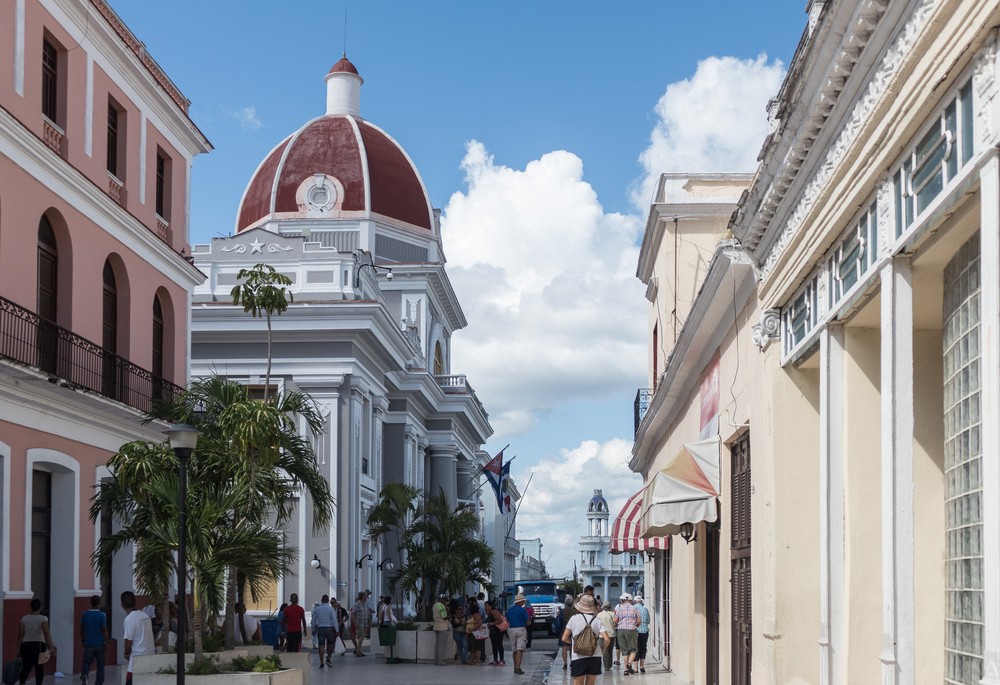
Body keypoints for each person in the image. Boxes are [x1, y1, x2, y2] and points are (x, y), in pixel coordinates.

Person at [561, 594, 607, 685]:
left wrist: (573, 642)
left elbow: (564, 638)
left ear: (579, 607)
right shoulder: (597, 620)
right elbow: (607, 639)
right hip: (595, 655)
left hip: (578, 656)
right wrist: (603, 650)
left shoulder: (574, 619)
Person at [17, 598, 55, 685]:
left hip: (26, 644)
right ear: (40, 607)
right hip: (39, 645)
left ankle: (22, 683)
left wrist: (18, 648)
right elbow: (46, 633)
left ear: (31, 607)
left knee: (26, 667)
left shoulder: (24, 619)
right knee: (39, 668)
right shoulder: (43, 618)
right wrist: (51, 646)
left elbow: (21, 634)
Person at [120, 591, 154, 685]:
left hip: (136, 660)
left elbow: (128, 642)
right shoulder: (145, 615)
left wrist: (126, 653)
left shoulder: (129, 619)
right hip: (150, 656)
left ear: (122, 604)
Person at [79, 594, 108, 685]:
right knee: (100, 665)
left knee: (86, 662)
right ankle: (99, 682)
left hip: (88, 643)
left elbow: (82, 628)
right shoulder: (102, 615)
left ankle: (85, 675)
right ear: (99, 603)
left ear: (90, 603)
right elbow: (104, 630)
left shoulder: (85, 614)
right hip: (100, 644)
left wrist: (83, 640)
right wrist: (106, 642)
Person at [613, 593, 640, 675]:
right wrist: (635, 626)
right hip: (631, 629)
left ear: (623, 600)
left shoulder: (619, 609)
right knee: (634, 649)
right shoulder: (635, 608)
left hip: (620, 630)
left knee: (625, 650)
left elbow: (615, 620)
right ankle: (629, 663)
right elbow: (639, 621)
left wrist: (618, 624)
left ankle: (626, 670)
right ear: (631, 600)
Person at [505, 594, 530, 675]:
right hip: (521, 629)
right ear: (520, 602)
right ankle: (518, 667)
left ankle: (515, 666)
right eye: (523, 601)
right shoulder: (523, 610)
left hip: (512, 630)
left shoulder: (510, 609)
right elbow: (528, 621)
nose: (523, 602)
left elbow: (507, 620)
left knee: (514, 649)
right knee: (520, 649)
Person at [313, 595, 337, 668]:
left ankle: (321, 662)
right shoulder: (331, 609)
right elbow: (334, 620)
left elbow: (313, 620)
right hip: (329, 628)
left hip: (320, 628)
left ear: (321, 600)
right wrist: (337, 630)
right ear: (328, 600)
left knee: (321, 646)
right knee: (331, 644)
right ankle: (328, 658)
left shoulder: (317, 609)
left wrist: (313, 629)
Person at [556, 594, 577, 670]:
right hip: (572, 631)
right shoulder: (575, 612)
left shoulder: (562, 611)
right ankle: (571, 662)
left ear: (565, 603)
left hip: (563, 630)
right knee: (571, 647)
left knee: (564, 648)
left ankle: (565, 664)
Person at [596, 601, 617, 672]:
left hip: (602, 635)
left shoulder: (599, 615)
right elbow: (615, 623)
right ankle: (609, 665)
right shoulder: (613, 614)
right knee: (610, 650)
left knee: (603, 650)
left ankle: (604, 665)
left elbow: (597, 624)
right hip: (611, 634)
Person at [484, 599, 505, 666]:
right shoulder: (489, 613)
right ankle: (495, 659)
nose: (485, 607)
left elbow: (500, 620)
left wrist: (492, 623)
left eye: (486, 605)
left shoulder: (494, 611)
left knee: (499, 645)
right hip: (492, 632)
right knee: (494, 645)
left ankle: (501, 659)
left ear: (490, 606)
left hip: (498, 631)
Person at [350, 592, 371, 656]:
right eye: (365, 596)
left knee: (360, 637)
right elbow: (353, 614)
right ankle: (358, 651)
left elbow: (367, 613)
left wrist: (368, 622)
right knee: (362, 636)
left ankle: (359, 651)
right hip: (359, 623)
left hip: (364, 623)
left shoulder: (365, 604)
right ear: (362, 597)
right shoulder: (356, 604)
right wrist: (355, 623)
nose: (366, 597)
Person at [432, 593, 451, 665]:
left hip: (436, 626)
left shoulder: (435, 605)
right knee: (442, 645)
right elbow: (444, 617)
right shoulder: (441, 606)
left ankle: (436, 661)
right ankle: (440, 661)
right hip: (442, 627)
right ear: (442, 599)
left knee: (437, 645)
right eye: (445, 600)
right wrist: (449, 615)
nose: (445, 602)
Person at [465, 599, 484, 665]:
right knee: (471, 648)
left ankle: (477, 660)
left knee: (476, 647)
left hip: (475, 633)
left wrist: (473, 628)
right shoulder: (471, 615)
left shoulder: (476, 615)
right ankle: (471, 660)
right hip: (469, 633)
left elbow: (480, 623)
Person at [634, 596, 650, 674]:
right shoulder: (645, 609)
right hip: (644, 631)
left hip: (635, 631)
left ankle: (636, 668)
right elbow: (648, 621)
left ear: (635, 601)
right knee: (643, 648)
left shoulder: (633, 609)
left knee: (635, 648)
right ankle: (642, 666)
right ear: (641, 601)